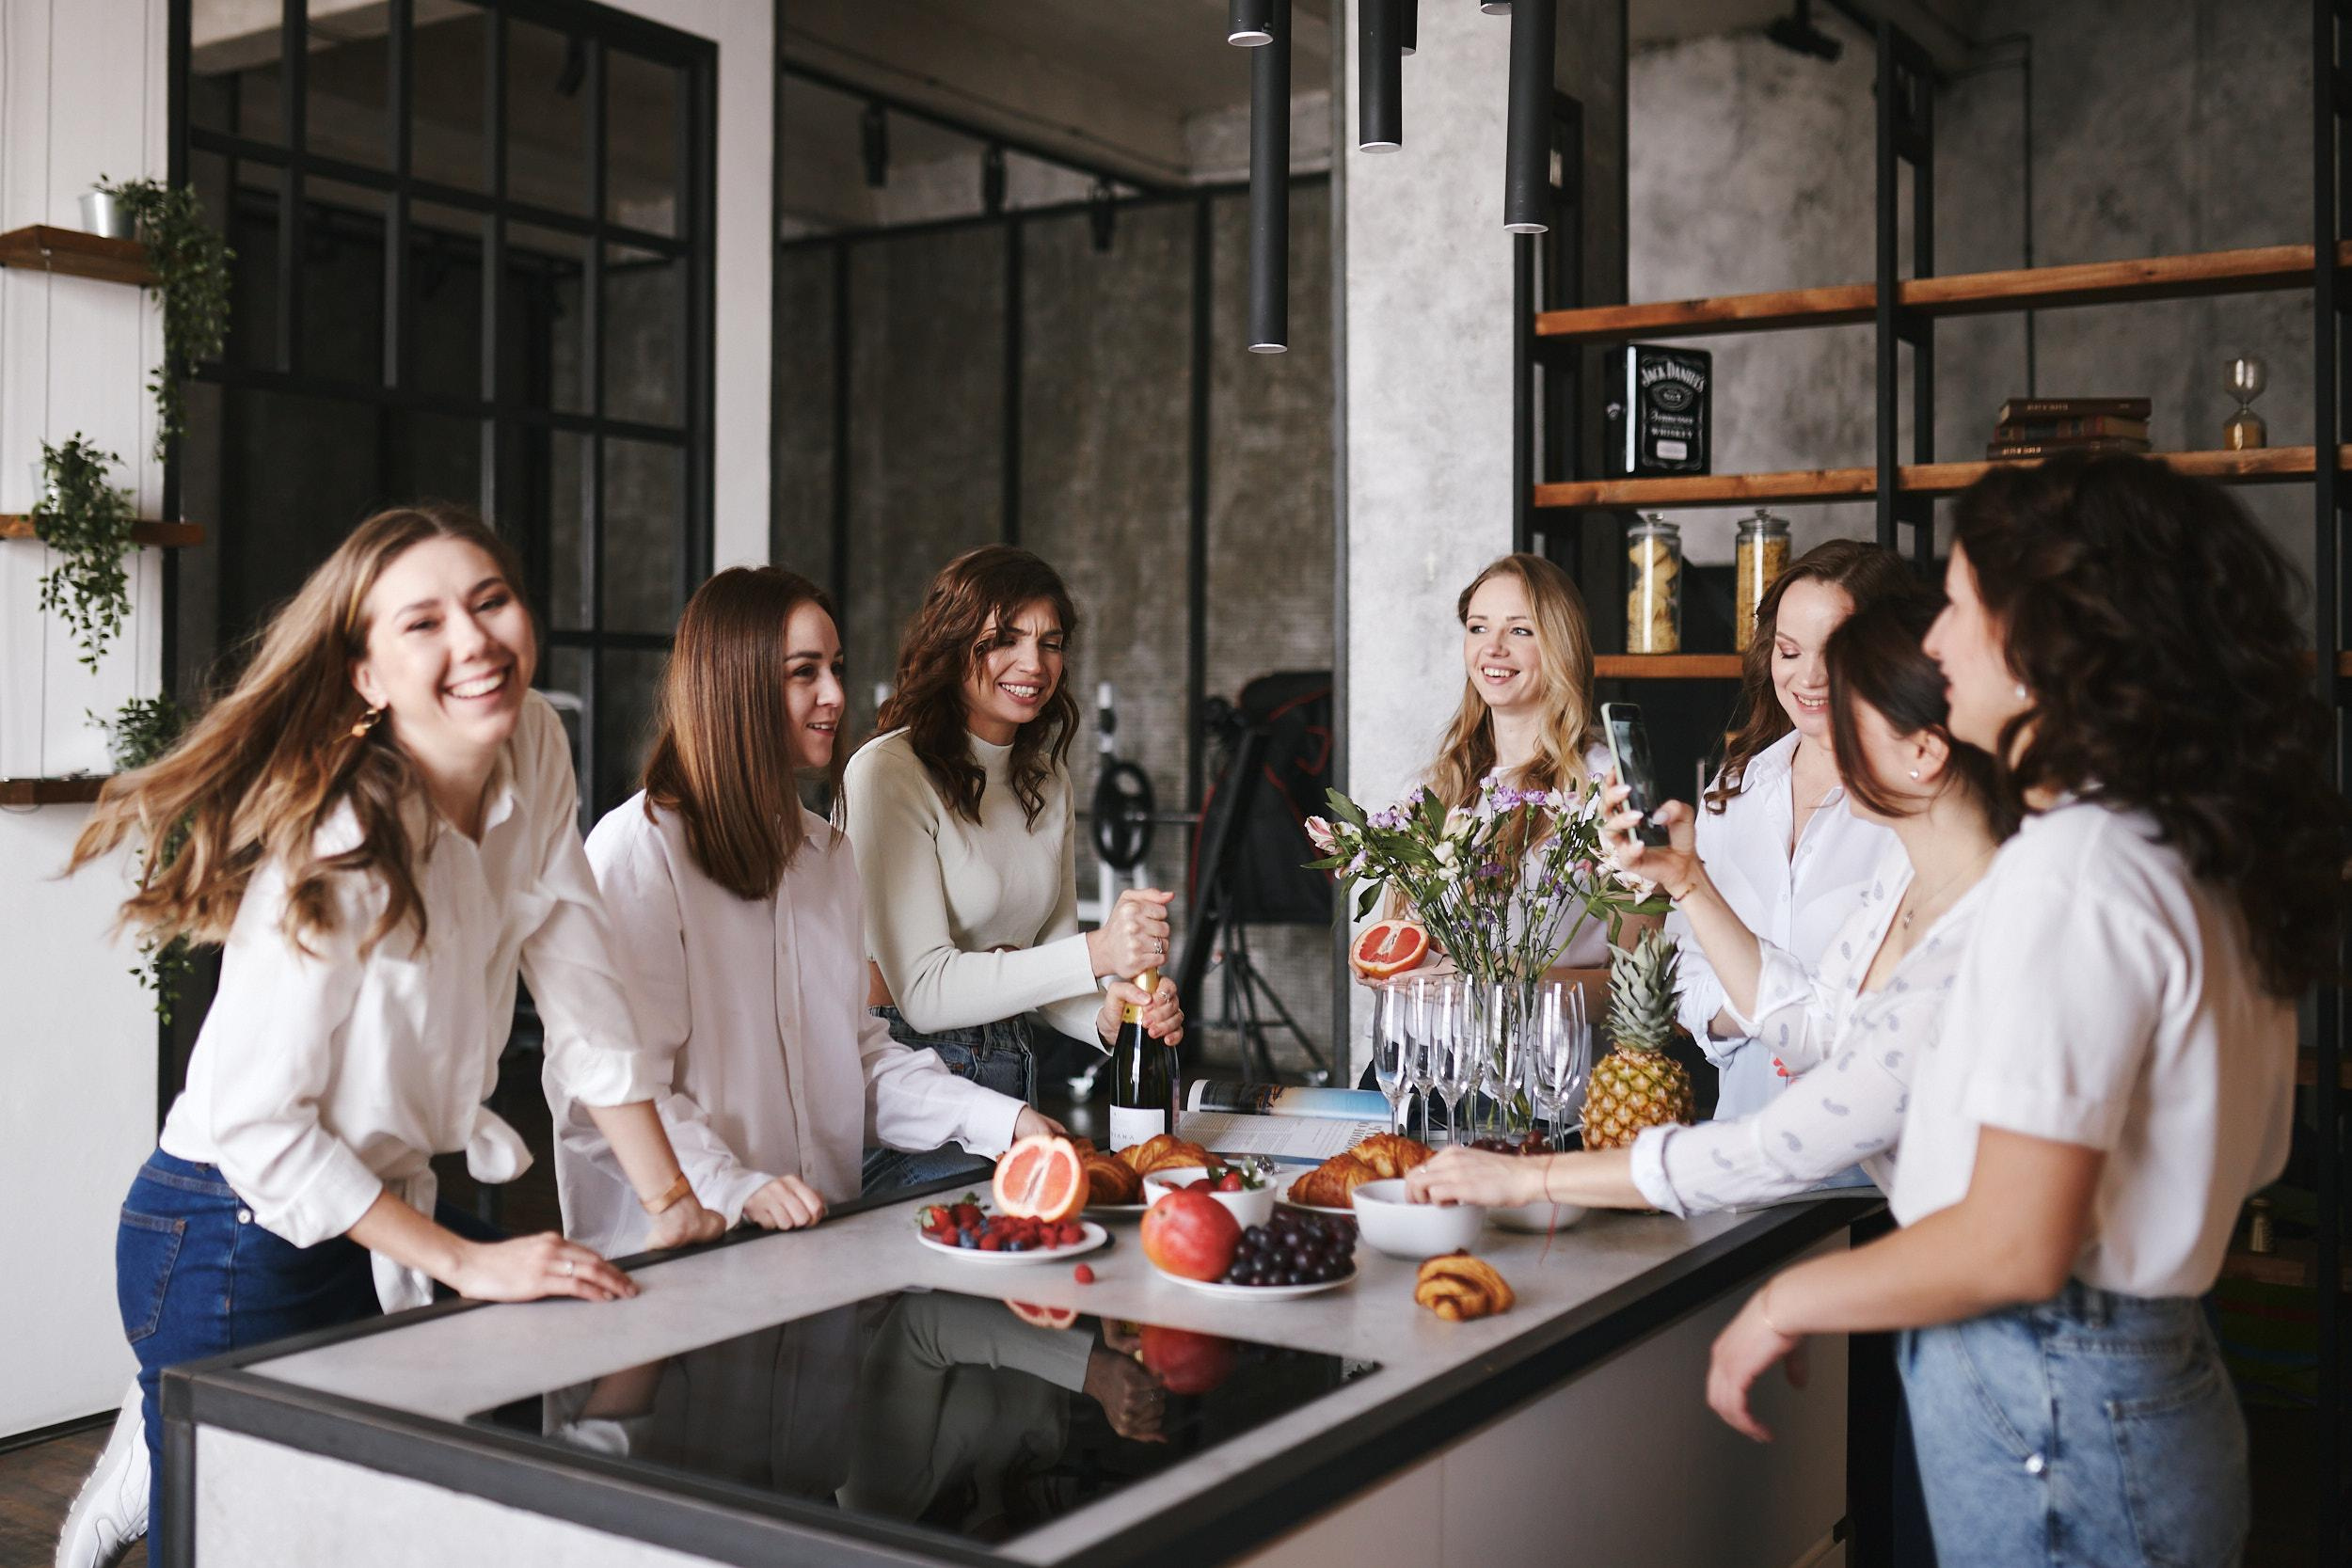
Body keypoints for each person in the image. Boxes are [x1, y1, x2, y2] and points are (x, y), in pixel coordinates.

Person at [1699, 455, 2342, 1567]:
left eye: (1956, 605)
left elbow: (2012, 1240)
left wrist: (1784, 1299)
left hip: (2053, 1395)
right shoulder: (2188, 839)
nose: (1933, 645)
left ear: (2052, 638)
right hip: (2143, 1372)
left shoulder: (2075, 870)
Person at [55, 504, 724, 1567]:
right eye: (423, 622)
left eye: (491, 600)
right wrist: (473, 1260)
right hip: (229, 1226)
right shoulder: (343, 835)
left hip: (375, 1201)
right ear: (366, 674)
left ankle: (154, 1439)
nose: (474, 640)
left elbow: (581, 979)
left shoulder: (534, 741)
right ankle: (156, 1451)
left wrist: (673, 1201)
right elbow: (261, 1128)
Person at [1407, 587, 2012, 1219]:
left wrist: (1537, 1179)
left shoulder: (1989, 920)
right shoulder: (1903, 877)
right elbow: (1809, 1026)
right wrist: (1688, 880)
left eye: (1847, 712)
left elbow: (1780, 1145)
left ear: (1924, 751)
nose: (1817, 728)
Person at [557, 567, 1060, 1257]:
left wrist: (1006, 1121)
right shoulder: (640, 849)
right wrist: (733, 1185)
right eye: (804, 672)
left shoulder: (826, 854)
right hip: (677, 1264)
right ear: (734, 683)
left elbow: (856, 1057)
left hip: (815, 1250)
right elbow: (603, 1093)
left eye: (836, 667)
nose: (834, 695)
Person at [844, 546, 1183, 1190]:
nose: (1034, 664)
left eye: (1051, 642)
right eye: (1005, 639)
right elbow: (924, 989)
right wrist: (1101, 948)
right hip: (906, 1088)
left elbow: (1049, 961)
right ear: (953, 644)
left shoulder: (1046, 777)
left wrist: (1110, 1013)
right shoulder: (889, 772)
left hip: (1012, 1082)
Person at [1667, 541, 1913, 1124]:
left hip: (1867, 1174)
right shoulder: (1736, 788)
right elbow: (1684, 977)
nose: (1808, 677)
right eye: (1788, 651)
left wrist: (1775, 1005)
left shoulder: (1916, 804)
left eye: (1835, 652)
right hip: (1739, 1148)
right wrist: (1780, 1015)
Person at [1411, 552, 1661, 990]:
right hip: (1434, 1053)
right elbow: (1403, 942)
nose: (1493, 647)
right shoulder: (1440, 785)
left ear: (1559, 646)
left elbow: (1639, 981)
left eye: (1520, 630)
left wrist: (1511, 982)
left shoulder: (1606, 787)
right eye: (1478, 627)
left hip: (1553, 1052)